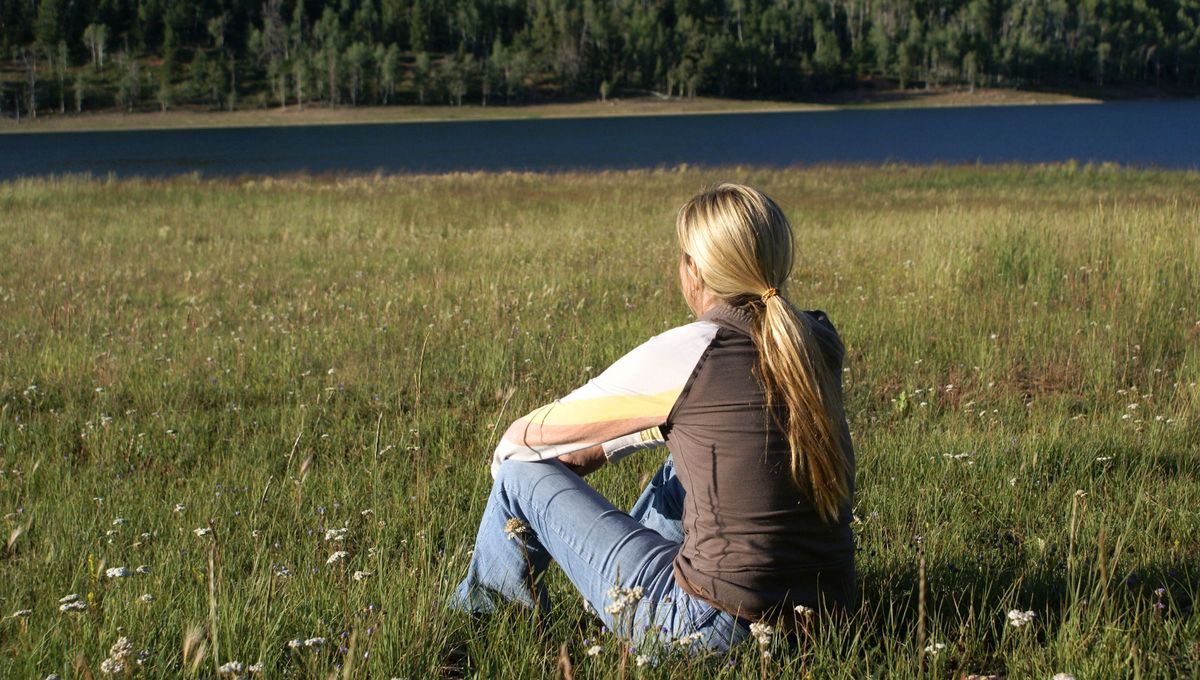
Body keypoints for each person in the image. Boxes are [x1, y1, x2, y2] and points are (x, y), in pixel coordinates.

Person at [450, 183, 856, 653]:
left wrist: (580, 461)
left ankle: (483, 633)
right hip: (826, 621)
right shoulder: (816, 338)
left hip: (705, 627)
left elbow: (519, 443)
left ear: (694, 270)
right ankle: (610, 608)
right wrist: (627, 437)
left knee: (519, 478)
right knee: (683, 465)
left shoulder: (693, 350)